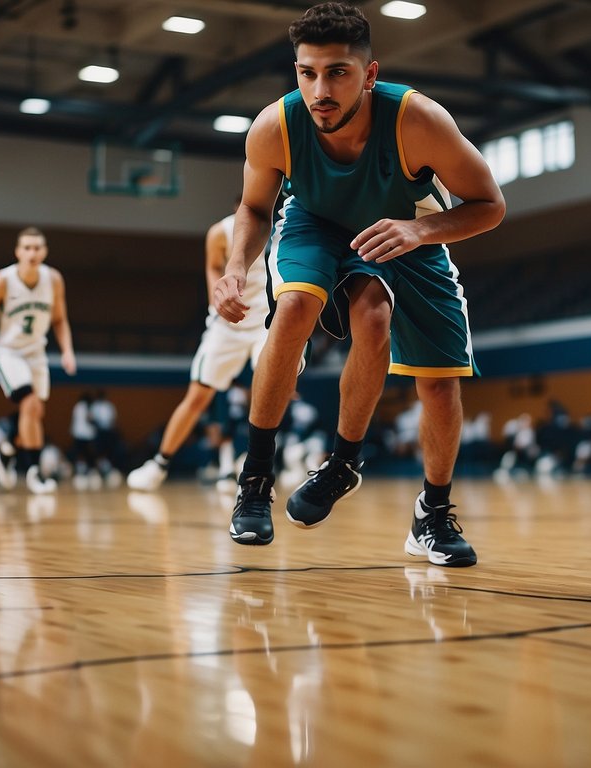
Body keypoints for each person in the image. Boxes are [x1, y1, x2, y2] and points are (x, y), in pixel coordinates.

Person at [211, 3, 505, 565]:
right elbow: (253, 207)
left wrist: (420, 229)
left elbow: (489, 205)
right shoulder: (275, 126)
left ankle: (423, 509)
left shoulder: (418, 120)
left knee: (431, 376)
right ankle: (255, 481)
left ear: (369, 74)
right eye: (308, 73)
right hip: (314, 224)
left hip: (403, 231)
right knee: (296, 305)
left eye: (338, 72)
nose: (321, 89)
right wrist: (234, 270)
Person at [127, 205, 273, 493]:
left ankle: (257, 464)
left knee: (271, 387)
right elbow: (212, 267)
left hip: (265, 320)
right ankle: (160, 463)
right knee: (197, 397)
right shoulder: (219, 232)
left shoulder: (281, 229)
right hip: (227, 325)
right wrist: (216, 302)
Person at [0, 226, 77, 494]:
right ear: (17, 251)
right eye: (27, 247)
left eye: (37, 248)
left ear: (45, 252)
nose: (32, 253)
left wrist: (67, 351)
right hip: (7, 350)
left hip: (36, 351)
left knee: (34, 412)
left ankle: (6, 452)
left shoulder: (54, 280)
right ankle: (35, 473)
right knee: (29, 403)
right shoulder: (3, 280)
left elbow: (60, 320)